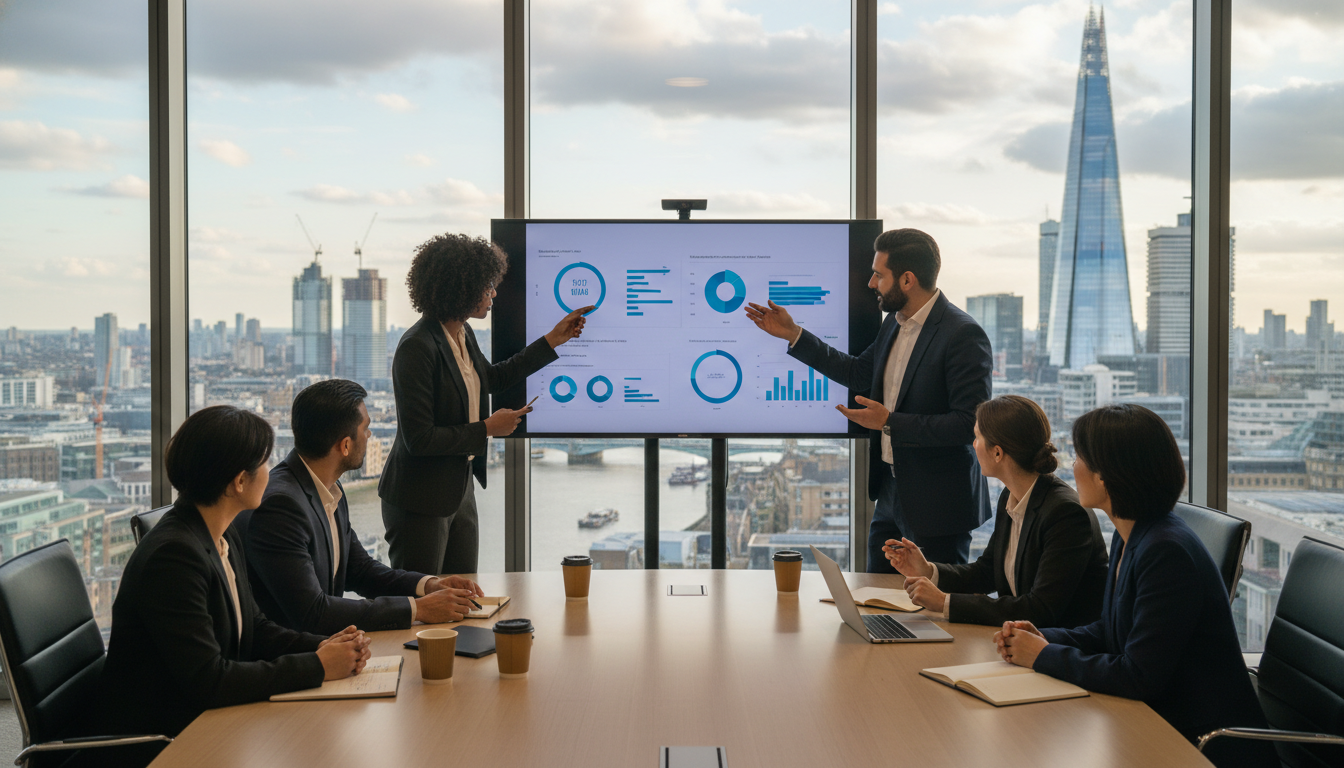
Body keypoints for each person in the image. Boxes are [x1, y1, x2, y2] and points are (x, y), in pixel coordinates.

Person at [994, 405, 1276, 768]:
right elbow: (1114, 631)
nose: (1073, 466)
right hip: (1158, 720)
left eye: (1081, 457)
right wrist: (1045, 638)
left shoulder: (1165, 552)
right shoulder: (1132, 534)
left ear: (1107, 476)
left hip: (1201, 743)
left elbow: (1138, 676)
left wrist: (1042, 655)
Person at [93, 406, 370, 767]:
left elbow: (257, 630)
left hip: (208, 717)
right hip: (165, 738)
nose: (272, 473)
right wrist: (317, 665)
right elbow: (210, 680)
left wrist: (327, 647)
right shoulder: (174, 557)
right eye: (266, 463)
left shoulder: (222, 533)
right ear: (239, 482)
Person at [746, 228, 992, 567]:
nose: (871, 283)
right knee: (877, 596)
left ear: (907, 279)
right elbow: (857, 374)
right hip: (890, 490)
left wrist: (890, 422)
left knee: (928, 610)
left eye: (879, 275)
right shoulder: (894, 322)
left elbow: (968, 425)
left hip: (937, 504)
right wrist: (794, 334)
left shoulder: (962, 334)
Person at [379, 233, 592, 574]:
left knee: (463, 596)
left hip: (458, 488)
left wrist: (554, 339)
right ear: (460, 288)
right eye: (487, 285)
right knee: (425, 606)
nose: (493, 293)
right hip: (419, 498)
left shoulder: (462, 333)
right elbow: (418, 439)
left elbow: (490, 379)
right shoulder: (416, 347)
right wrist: (488, 429)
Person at [235, 379, 484, 636]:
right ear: (345, 445)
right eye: (366, 428)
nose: (369, 435)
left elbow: (361, 570)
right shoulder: (280, 507)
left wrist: (430, 585)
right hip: (294, 661)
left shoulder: (329, 489)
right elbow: (313, 613)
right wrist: (417, 609)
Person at [884, 395, 1108, 627]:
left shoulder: (1065, 514)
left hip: (1059, 648)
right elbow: (988, 571)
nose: (973, 444)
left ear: (998, 453)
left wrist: (944, 602)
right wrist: (928, 570)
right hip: (1022, 640)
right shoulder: (1012, 496)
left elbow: (1040, 609)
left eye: (978, 437)